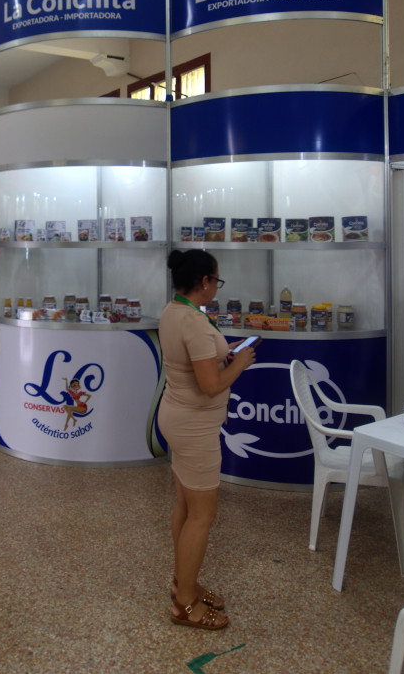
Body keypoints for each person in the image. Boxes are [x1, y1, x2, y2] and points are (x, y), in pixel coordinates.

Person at [158, 249, 255, 630]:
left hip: (178, 417)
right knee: (203, 514)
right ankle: (184, 604)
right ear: (204, 283)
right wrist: (239, 364)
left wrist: (223, 354)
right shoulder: (194, 323)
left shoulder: (174, 311)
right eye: (217, 280)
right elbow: (211, 385)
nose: (217, 285)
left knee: (186, 505)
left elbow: (196, 363)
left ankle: (184, 582)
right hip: (194, 427)